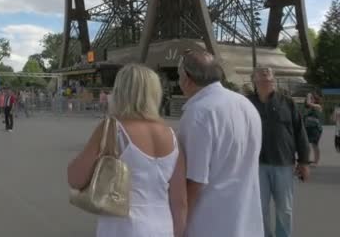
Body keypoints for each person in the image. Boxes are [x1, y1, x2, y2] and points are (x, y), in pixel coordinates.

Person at [68, 64, 187, 237]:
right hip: (163, 226)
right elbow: (180, 201)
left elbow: (75, 179)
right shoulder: (172, 136)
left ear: (121, 92)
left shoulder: (112, 128)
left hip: (122, 227)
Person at [177, 50, 263, 237]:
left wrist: (179, 226)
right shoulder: (246, 105)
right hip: (246, 220)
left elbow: (194, 181)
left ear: (187, 78)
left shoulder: (197, 114)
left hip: (208, 222)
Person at [247, 67, 310, 237]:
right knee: (260, 209)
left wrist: (304, 161)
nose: (266, 72)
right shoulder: (246, 103)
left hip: (284, 163)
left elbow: (300, 131)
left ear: (273, 79)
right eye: (261, 72)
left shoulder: (287, 102)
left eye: (269, 72)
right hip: (256, 165)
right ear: (254, 79)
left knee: (285, 209)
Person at [304, 92, 323, 165]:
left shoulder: (318, 106)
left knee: (315, 145)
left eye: (312, 98)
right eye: (310, 98)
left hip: (316, 128)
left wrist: (308, 95)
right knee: (306, 144)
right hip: (307, 128)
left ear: (315, 100)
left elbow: (309, 103)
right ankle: (306, 160)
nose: (310, 100)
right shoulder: (308, 108)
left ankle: (316, 162)